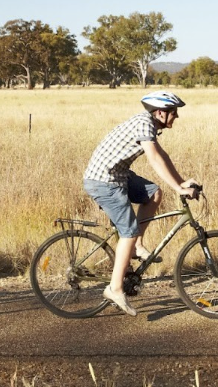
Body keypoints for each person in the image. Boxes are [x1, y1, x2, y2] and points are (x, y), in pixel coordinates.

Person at [83, 91, 200, 316]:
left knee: (154, 194)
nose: (176, 117)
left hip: (119, 176)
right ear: (159, 113)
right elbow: (154, 159)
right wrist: (179, 189)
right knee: (128, 232)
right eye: (173, 113)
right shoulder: (144, 124)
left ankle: (136, 246)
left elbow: (162, 156)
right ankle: (115, 288)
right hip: (104, 182)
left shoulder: (150, 125)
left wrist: (182, 182)